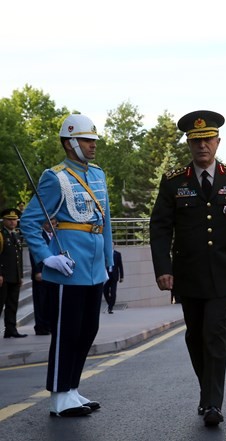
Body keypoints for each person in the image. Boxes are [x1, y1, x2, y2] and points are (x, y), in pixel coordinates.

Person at [150, 110, 226, 428]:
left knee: (214, 331)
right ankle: (205, 389)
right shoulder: (173, 183)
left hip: (225, 273)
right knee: (195, 335)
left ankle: (213, 402)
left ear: (217, 142)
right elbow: (160, 228)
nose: (202, 146)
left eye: (207, 140)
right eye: (196, 141)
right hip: (188, 273)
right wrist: (163, 268)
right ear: (188, 144)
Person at [20, 113, 113, 417]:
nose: (93, 145)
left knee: (88, 330)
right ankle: (59, 398)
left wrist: (108, 261)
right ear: (70, 142)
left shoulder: (97, 174)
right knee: (67, 333)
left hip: (95, 267)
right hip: (68, 269)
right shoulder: (54, 177)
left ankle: (72, 389)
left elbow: (106, 223)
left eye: (94, 140)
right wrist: (47, 257)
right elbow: (29, 221)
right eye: (87, 140)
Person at [0, 208, 26, 338]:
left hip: (14, 276)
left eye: (14, 220)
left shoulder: (16, 235)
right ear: (3, 220)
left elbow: (18, 258)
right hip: (3, 277)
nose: (12, 222)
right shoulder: (1, 235)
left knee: (12, 304)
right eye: (9, 220)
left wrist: (20, 276)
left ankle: (10, 329)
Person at [28, 219, 57, 335]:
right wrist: (37, 271)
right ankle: (40, 327)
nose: (51, 226)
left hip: (52, 274)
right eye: (48, 223)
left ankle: (49, 325)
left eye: (53, 223)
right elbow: (34, 254)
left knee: (50, 301)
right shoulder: (39, 236)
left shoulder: (56, 236)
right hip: (40, 273)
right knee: (40, 302)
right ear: (44, 224)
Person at [103, 243, 124, 314]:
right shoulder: (105, 253)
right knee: (105, 291)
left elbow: (120, 266)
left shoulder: (117, 254)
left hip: (114, 276)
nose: (111, 245)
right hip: (107, 275)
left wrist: (121, 276)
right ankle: (110, 303)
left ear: (114, 246)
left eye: (112, 244)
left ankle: (110, 308)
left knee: (113, 292)